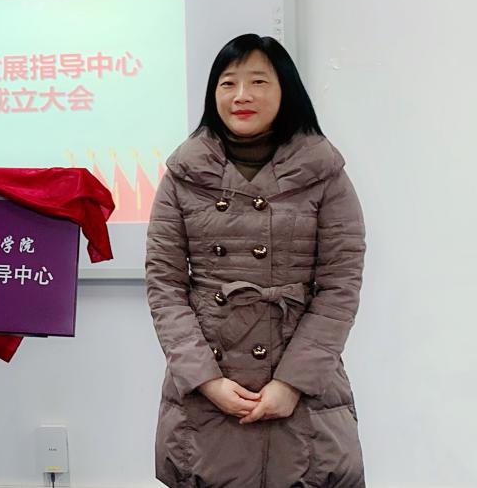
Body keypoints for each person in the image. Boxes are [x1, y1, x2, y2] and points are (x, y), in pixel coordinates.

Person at [145, 35, 365, 486]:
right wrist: (206, 380)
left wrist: (291, 383)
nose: (241, 95)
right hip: (209, 385)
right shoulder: (184, 174)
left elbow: (340, 286)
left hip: (301, 385)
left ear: (286, 90)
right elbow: (164, 285)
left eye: (258, 82)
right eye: (228, 83)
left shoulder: (324, 173)